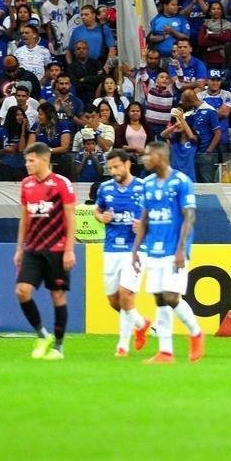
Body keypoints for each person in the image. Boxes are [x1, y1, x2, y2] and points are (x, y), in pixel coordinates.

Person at [131, 141, 204, 363]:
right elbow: (144, 218)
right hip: (154, 249)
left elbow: (189, 216)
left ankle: (195, 332)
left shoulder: (181, 181)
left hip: (174, 250)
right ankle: (165, 351)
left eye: (147, 155)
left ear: (160, 157)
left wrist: (182, 249)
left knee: (172, 297)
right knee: (159, 299)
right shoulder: (148, 184)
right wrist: (135, 250)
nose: (144, 159)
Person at [14, 142, 77, 360]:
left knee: (57, 296)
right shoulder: (26, 184)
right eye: (26, 160)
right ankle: (42, 334)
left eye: (31, 160)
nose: (27, 164)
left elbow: (70, 218)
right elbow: (25, 219)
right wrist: (19, 249)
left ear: (44, 160)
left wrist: (70, 250)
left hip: (57, 249)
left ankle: (58, 347)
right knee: (22, 291)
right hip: (33, 248)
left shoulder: (61, 184)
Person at [94, 149, 152, 356]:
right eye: (110, 168)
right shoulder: (105, 188)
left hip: (135, 250)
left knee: (125, 295)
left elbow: (159, 215)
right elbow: (97, 209)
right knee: (114, 301)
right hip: (111, 249)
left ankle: (122, 345)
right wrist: (101, 218)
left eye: (117, 166)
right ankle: (141, 322)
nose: (113, 171)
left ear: (128, 164)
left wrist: (144, 226)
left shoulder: (144, 187)